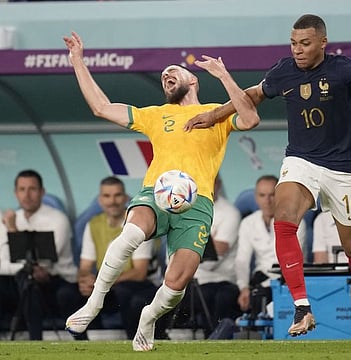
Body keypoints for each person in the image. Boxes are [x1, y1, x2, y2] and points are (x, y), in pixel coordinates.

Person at [183, 14, 351, 340]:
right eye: (293, 43)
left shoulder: (344, 69)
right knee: (284, 217)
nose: (297, 50)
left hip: (343, 170)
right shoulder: (283, 70)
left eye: (305, 43)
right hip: (302, 161)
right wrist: (214, 114)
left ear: (323, 43)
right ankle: (302, 305)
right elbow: (253, 95)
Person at [62, 31, 259, 351]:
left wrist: (224, 76)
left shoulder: (215, 113)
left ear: (193, 80)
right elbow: (101, 106)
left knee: (177, 282)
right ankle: (94, 303)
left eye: (174, 71)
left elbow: (250, 118)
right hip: (157, 192)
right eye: (164, 75)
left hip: (198, 203)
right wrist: (78, 62)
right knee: (131, 233)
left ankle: (149, 318)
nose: (167, 75)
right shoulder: (155, 114)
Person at [0, 169, 81, 340]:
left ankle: (35, 340)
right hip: (19, 281)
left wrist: (13, 230)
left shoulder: (57, 219)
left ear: (42, 192)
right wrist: (22, 267)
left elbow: (45, 263)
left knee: (30, 279)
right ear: (15, 193)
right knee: (25, 277)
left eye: (32, 189)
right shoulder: (8, 218)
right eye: (22, 190)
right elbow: (3, 263)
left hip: (55, 281)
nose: (27, 195)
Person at [77, 175, 162, 339]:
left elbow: (139, 272)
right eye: (107, 196)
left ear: (125, 197)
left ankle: (134, 340)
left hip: (142, 285)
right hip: (108, 285)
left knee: (123, 291)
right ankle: (83, 346)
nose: (112, 201)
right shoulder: (93, 224)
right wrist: (84, 279)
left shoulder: (139, 222)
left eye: (117, 195)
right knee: (71, 292)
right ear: (100, 200)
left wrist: (99, 282)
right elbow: (85, 266)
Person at [174, 175, 242, 338]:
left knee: (216, 296)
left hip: (222, 280)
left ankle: (215, 340)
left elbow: (215, 254)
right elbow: (174, 248)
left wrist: (189, 244)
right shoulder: (183, 210)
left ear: (218, 184)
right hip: (185, 279)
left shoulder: (230, 213)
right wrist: (204, 241)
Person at [235, 175, 306, 319]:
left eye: (272, 195)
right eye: (262, 195)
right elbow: (242, 260)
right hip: (259, 282)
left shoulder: (297, 221)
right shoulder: (248, 223)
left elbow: (294, 261)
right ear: (256, 197)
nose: (267, 201)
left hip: (286, 282)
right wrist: (243, 288)